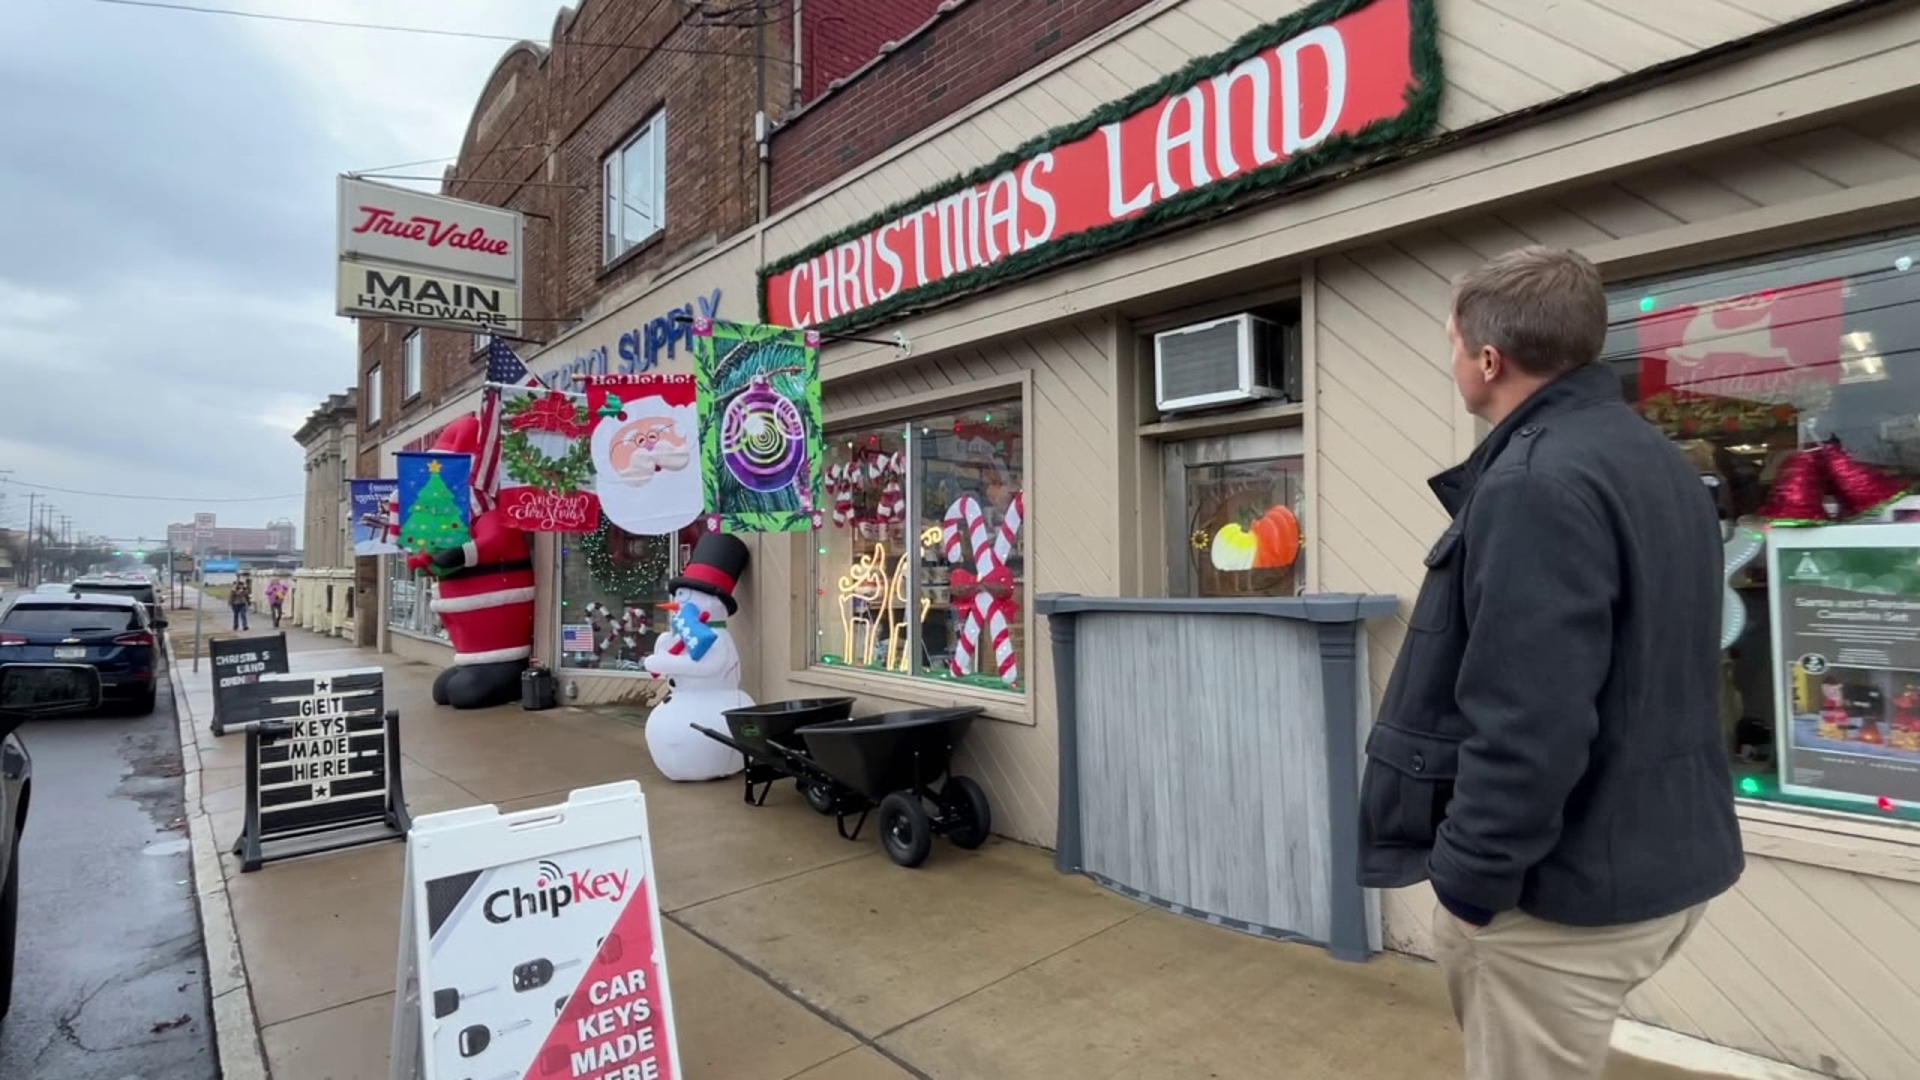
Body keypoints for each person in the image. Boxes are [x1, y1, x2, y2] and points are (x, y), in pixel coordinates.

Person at [1358, 246, 1744, 1080]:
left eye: (1452, 343)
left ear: (1488, 359)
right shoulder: (1658, 461)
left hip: (1556, 897)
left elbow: (1530, 720)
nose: (1451, 360)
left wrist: (1469, 884)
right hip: (1660, 858)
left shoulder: (1536, 482)